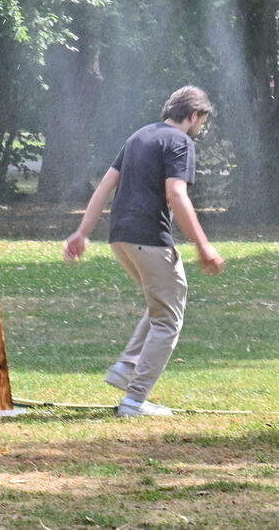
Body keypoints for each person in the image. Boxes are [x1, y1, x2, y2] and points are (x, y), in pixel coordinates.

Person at [63, 85, 226, 418]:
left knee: (159, 305)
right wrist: (203, 245)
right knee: (169, 318)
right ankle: (135, 401)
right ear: (193, 115)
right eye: (202, 122)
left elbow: (106, 185)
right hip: (149, 237)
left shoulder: (140, 136)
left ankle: (127, 367)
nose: (201, 129)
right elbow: (176, 195)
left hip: (120, 238)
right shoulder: (180, 142)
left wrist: (83, 232)